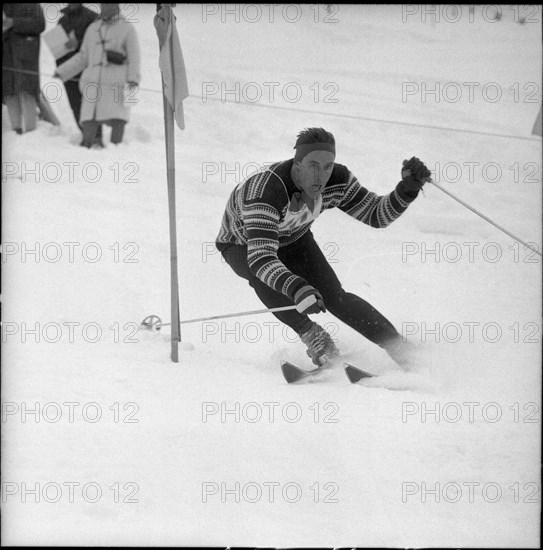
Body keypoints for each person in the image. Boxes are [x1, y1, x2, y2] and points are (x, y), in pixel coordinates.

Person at [215, 127, 431, 368]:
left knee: (334, 296)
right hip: (241, 244)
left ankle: (398, 347)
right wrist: (297, 287)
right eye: (313, 166)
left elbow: (376, 215)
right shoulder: (266, 191)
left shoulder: (337, 180)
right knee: (263, 278)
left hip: (293, 237)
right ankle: (314, 336)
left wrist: (406, 190)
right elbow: (261, 258)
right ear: (297, 164)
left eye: (327, 166)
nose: (321, 176)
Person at [54, 3, 140, 147]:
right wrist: (62, 71)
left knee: (118, 119)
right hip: (92, 82)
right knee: (89, 118)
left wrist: (133, 80)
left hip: (116, 84)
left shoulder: (127, 28)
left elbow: (134, 57)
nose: (106, 8)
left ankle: (117, 150)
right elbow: (83, 57)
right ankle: (88, 145)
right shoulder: (93, 29)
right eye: (103, 5)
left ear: (117, 7)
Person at [56, 3, 102, 145]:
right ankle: (85, 136)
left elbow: (100, 43)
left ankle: (96, 138)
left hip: (87, 70)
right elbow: (57, 48)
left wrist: (78, 43)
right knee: (75, 105)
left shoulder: (93, 18)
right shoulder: (62, 21)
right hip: (68, 71)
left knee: (90, 105)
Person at [2, 4, 45, 134]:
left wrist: (14, 22)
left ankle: (31, 132)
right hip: (7, 58)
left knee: (27, 93)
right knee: (9, 92)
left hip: (25, 59)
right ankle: (16, 129)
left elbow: (39, 24)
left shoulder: (32, 5)